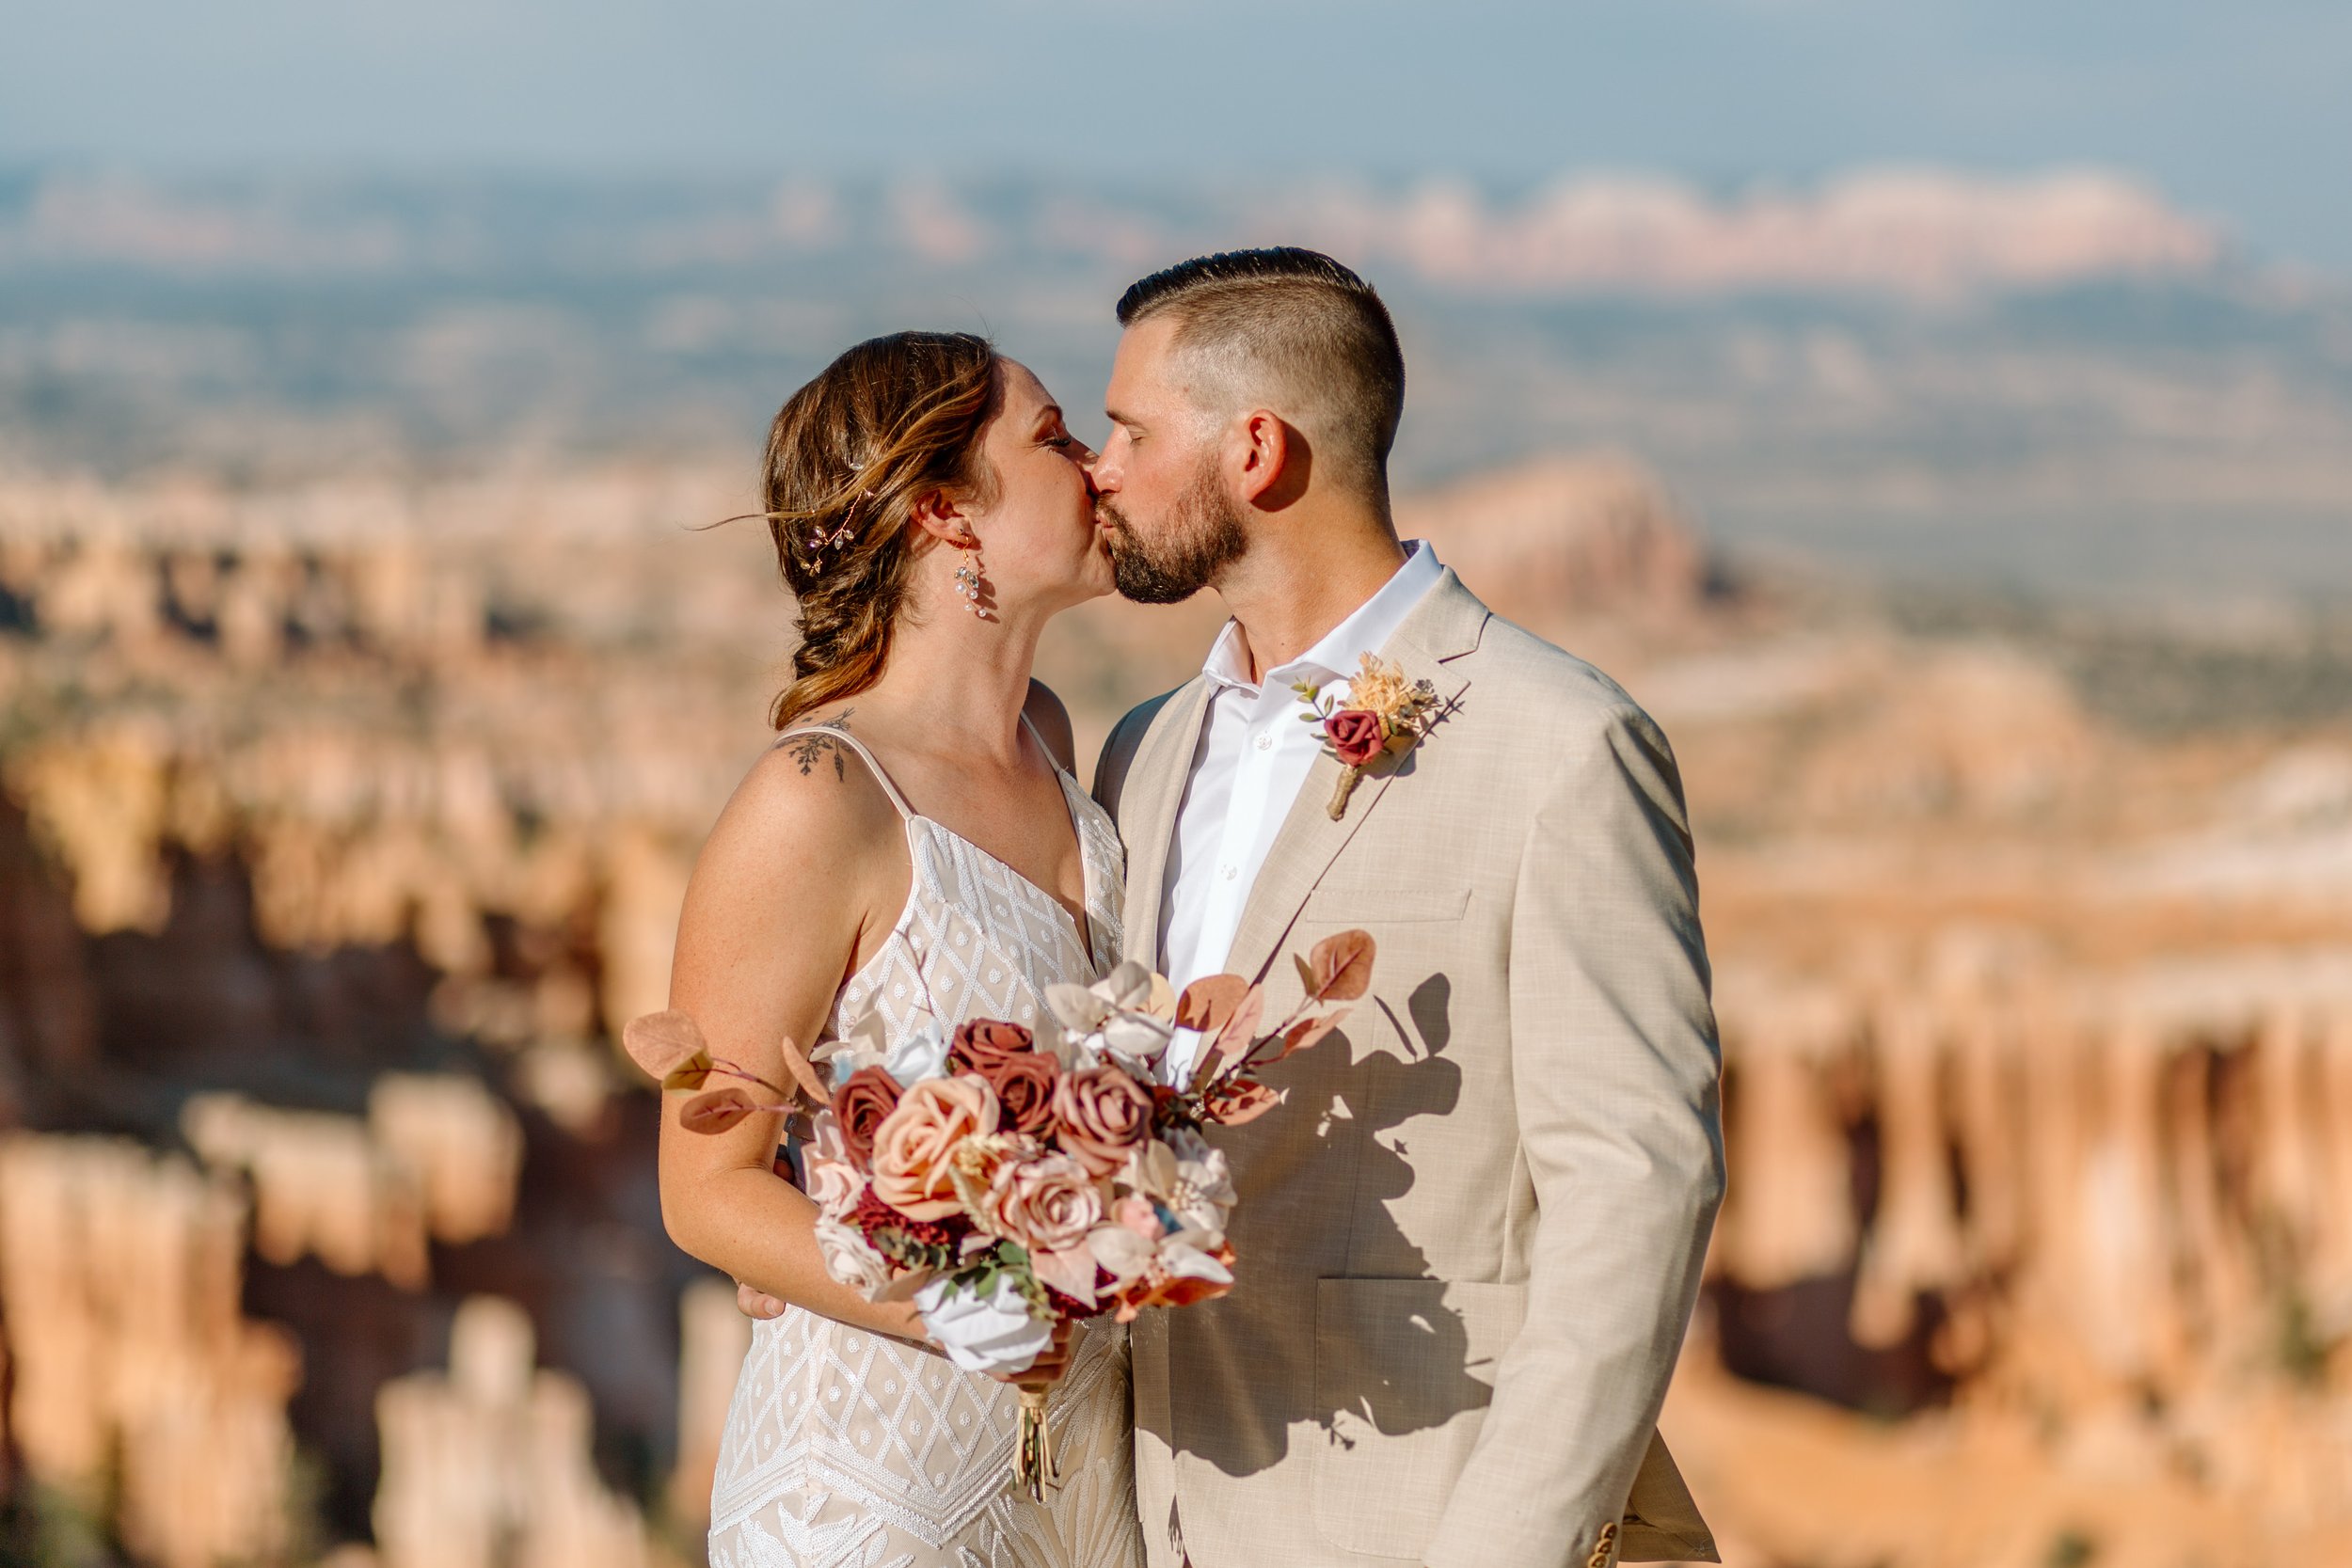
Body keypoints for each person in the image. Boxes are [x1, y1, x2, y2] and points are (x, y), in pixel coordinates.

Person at [1089, 249, 1724, 1568]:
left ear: (1254, 451)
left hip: (1422, 1524)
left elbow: (1637, 1189)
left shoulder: (1563, 747)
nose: (1101, 468)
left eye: (1130, 432)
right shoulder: (1139, 753)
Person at [662, 330, 1146, 1568]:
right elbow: (704, 1191)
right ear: (945, 513)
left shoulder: (1048, 731)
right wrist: (992, 1305)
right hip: (875, 1497)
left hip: (1074, 1489)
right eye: (1050, 437)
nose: (1094, 465)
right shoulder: (820, 798)